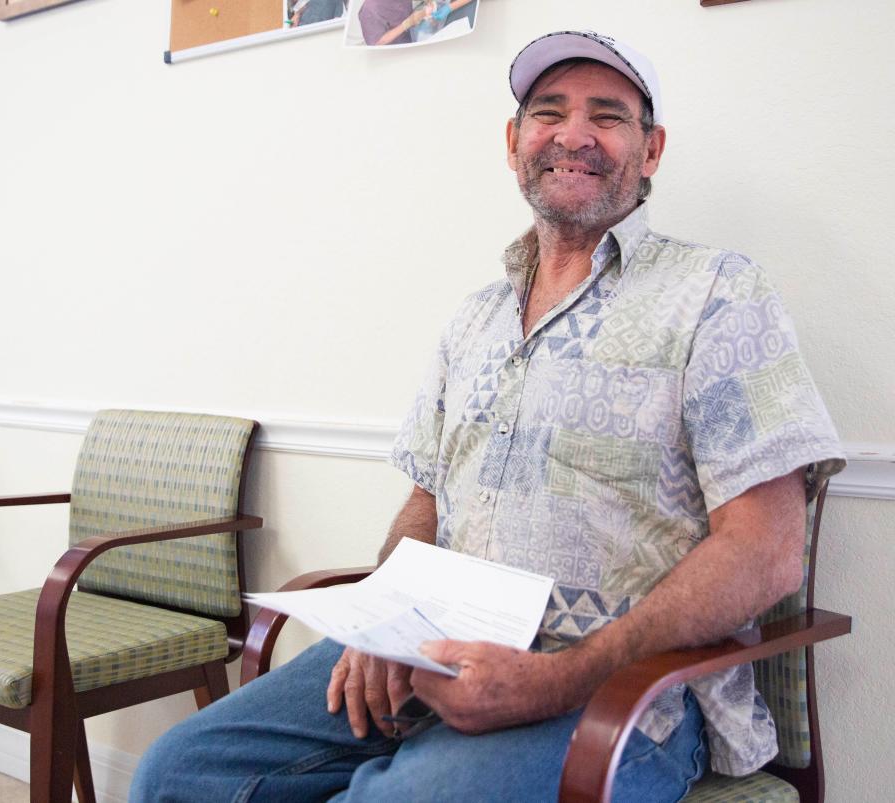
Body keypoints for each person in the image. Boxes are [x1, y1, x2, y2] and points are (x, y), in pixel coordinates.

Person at [131, 30, 845, 802]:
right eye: (548, 112)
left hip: (623, 695)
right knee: (177, 772)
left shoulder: (718, 293)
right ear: (514, 143)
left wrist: (557, 679)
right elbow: (425, 500)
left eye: (607, 116)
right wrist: (386, 616)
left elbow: (767, 550)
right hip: (432, 652)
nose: (573, 134)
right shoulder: (473, 320)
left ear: (652, 149)